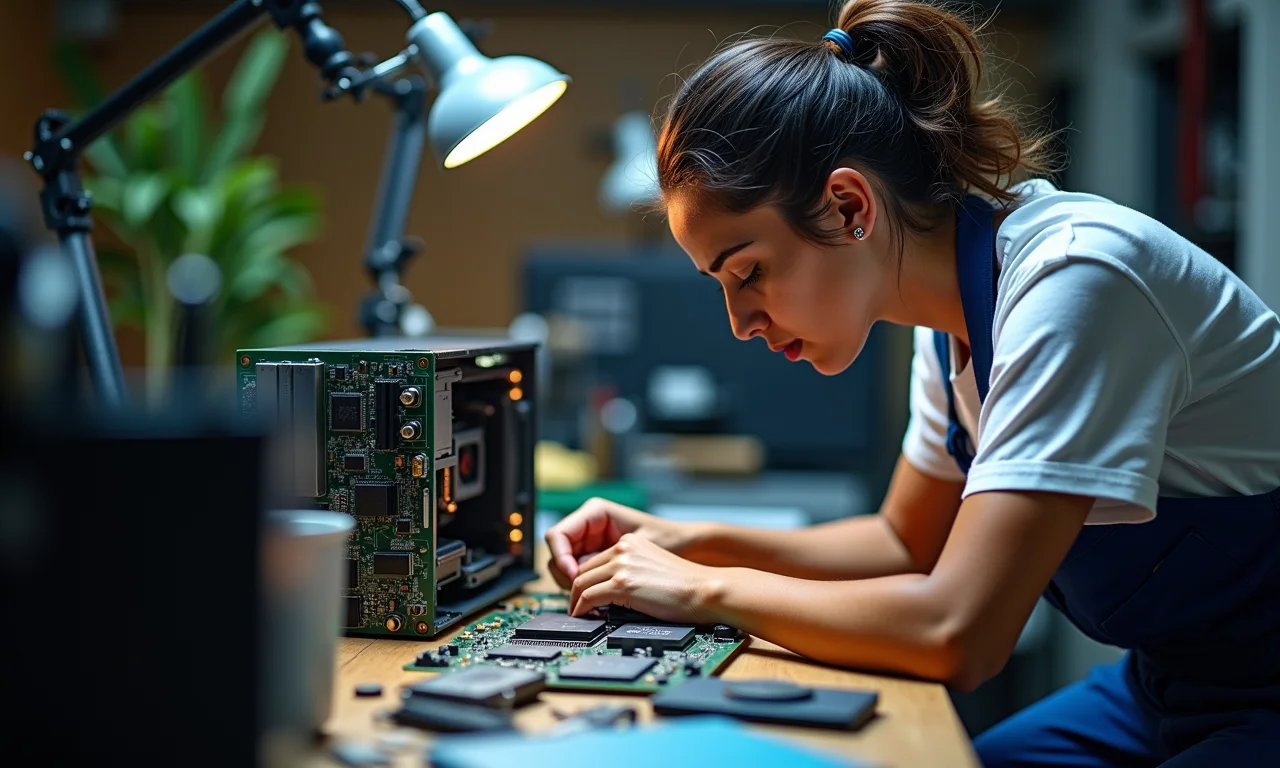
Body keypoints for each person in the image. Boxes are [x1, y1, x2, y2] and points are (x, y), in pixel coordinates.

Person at [543, 0, 1280, 764]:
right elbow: (903, 544)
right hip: (1162, 688)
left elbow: (959, 634)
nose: (741, 323)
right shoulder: (952, 318)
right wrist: (684, 542)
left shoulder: (1075, 279)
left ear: (848, 205)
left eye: (749, 272)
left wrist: (700, 590)